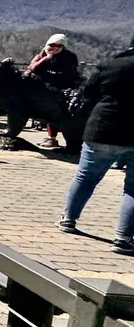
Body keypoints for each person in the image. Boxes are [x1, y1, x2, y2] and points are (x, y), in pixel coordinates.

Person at [57, 36, 134, 253]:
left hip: (102, 128)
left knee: (85, 177)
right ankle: (124, 238)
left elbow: (88, 91)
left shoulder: (111, 65)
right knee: (133, 189)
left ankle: (68, 220)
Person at [28, 33, 80, 148]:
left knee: (56, 110)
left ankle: (59, 139)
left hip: (64, 88)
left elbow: (70, 74)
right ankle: (51, 137)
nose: (55, 47)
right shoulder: (42, 54)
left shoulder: (69, 57)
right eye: (52, 44)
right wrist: (47, 58)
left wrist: (51, 74)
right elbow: (32, 68)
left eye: (59, 45)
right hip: (44, 86)